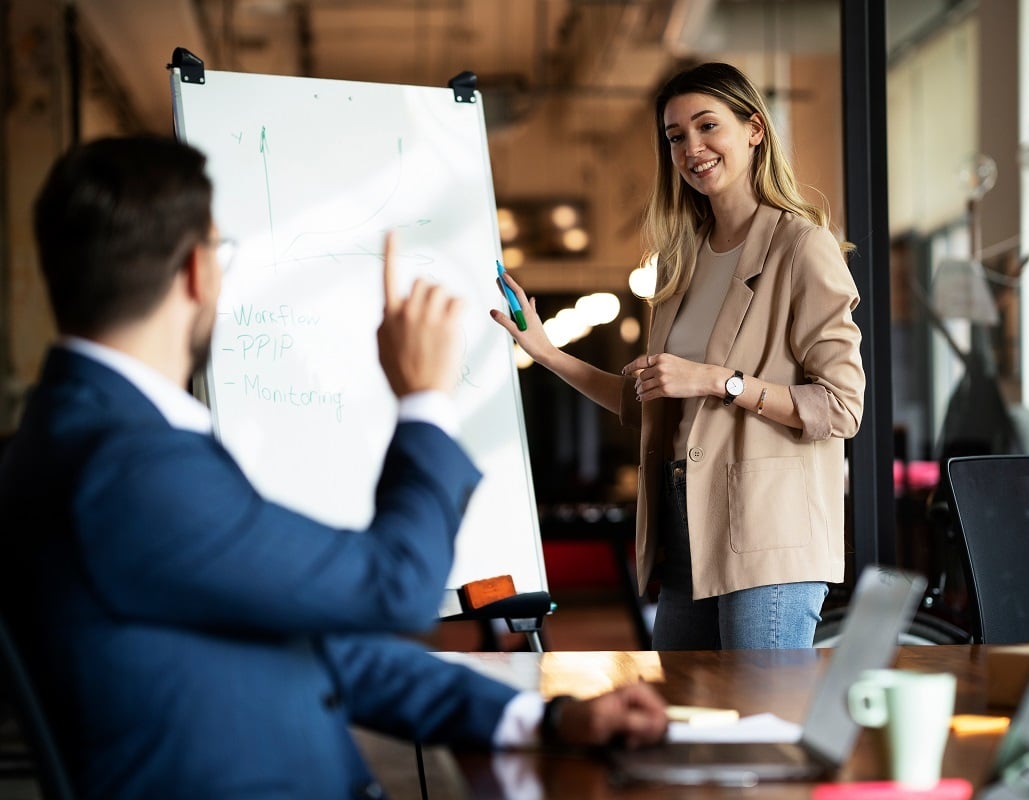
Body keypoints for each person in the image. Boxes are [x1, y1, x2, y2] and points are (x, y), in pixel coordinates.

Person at [0, 135, 666, 800]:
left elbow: (321, 645)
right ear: (198, 272)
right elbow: (397, 587)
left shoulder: (90, 433)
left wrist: (544, 715)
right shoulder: (130, 464)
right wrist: (425, 401)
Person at [492, 62, 865, 650]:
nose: (692, 147)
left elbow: (841, 408)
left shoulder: (802, 247)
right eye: (674, 136)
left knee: (755, 728)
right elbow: (649, 399)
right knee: (687, 720)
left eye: (707, 125)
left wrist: (721, 381)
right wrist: (544, 351)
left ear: (755, 130)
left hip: (769, 535)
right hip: (685, 526)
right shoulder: (678, 262)